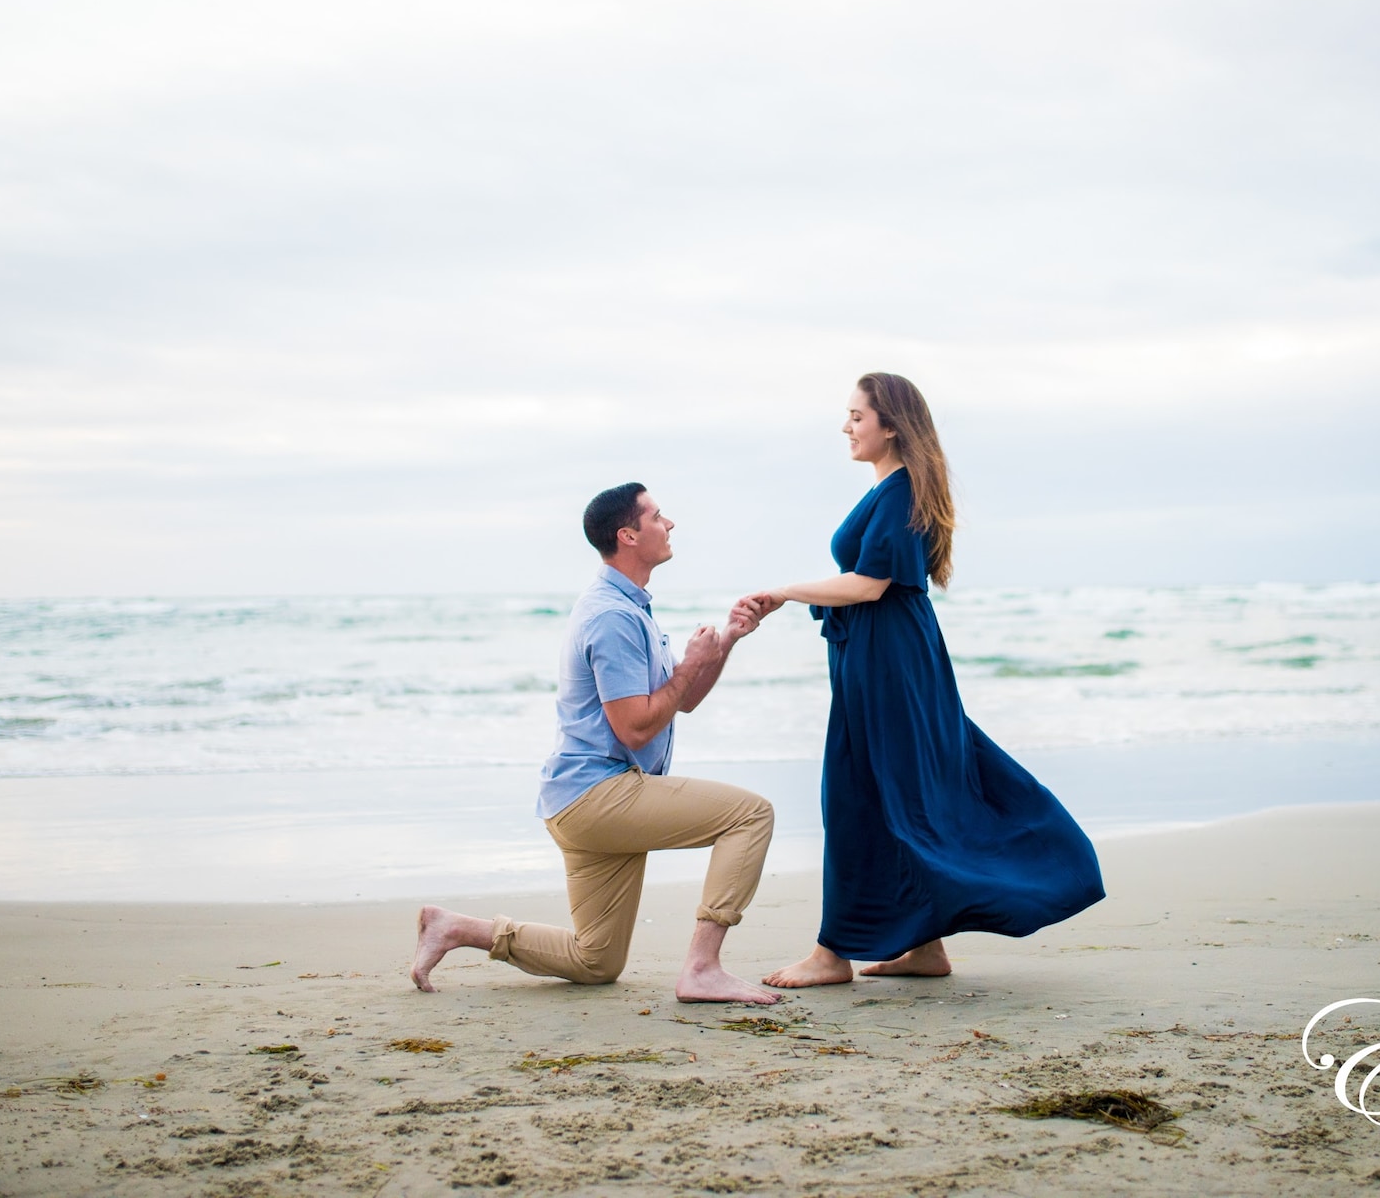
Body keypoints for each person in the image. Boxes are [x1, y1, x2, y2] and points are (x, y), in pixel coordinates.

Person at [754, 373, 1105, 988]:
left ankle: (832, 955)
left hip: (889, 661)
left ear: (890, 424)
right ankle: (924, 947)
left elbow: (870, 585)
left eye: (856, 416)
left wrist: (784, 589)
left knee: (860, 792)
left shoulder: (899, 493)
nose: (846, 427)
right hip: (885, 656)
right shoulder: (894, 489)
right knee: (896, 789)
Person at [411, 482, 782, 1005]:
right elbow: (635, 727)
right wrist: (691, 666)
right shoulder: (611, 616)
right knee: (751, 815)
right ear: (628, 535)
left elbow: (682, 700)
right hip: (599, 795)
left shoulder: (628, 608)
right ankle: (702, 968)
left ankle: (456, 928)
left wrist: (727, 641)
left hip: (580, 800)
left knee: (596, 962)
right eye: (658, 516)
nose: (670, 523)